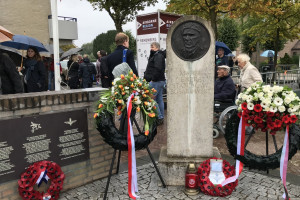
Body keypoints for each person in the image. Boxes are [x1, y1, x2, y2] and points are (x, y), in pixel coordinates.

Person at [144, 42, 166, 125]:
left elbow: (158, 68)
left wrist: (153, 79)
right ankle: (161, 117)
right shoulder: (157, 55)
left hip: (156, 81)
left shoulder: (157, 56)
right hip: (159, 81)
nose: (151, 48)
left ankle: (159, 117)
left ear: (157, 48)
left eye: (152, 47)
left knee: (151, 99)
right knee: (159, 99)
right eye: (150, 47)